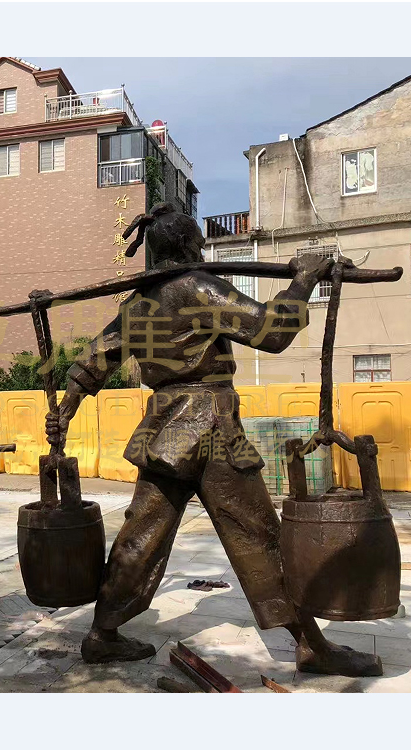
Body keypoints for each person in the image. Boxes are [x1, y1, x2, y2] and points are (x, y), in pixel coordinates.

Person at [46, 203, 382, 677]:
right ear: (188, 246)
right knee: (258, 534)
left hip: (164, 435)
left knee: (142, 534)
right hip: (212, 428)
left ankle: (103, 633)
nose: (203, 251)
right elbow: (272, 332)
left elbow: (93, 361)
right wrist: (303, 282)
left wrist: (65, 409)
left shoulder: (138, 304)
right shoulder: (198, 287)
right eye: (199, 245)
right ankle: (310, 645)